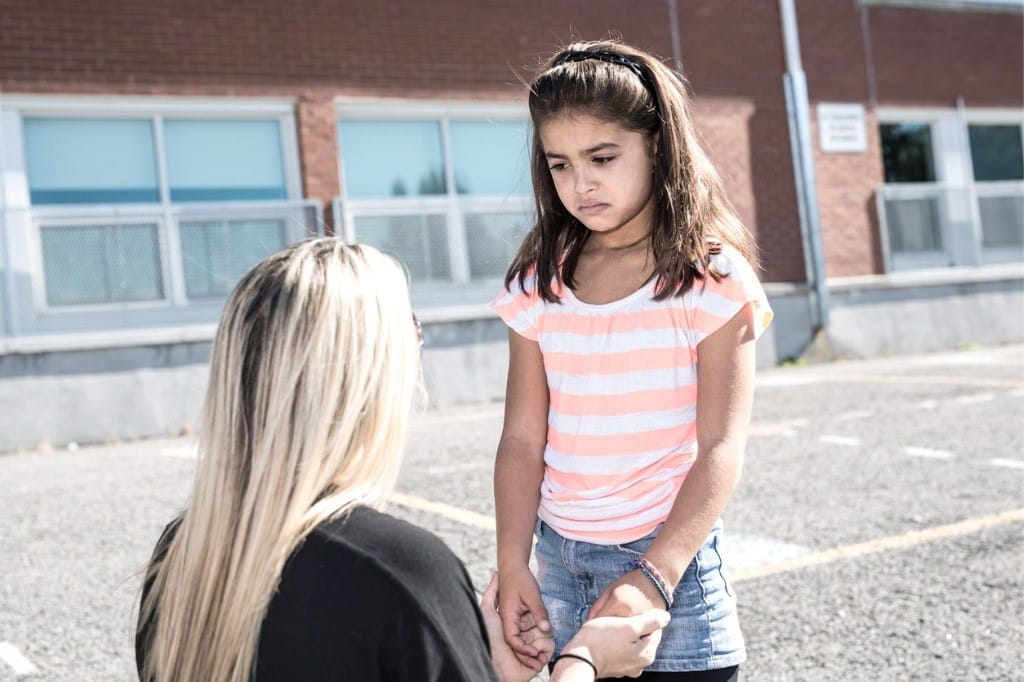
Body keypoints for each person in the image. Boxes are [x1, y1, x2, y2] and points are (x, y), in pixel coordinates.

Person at [135, 238, 668, 682]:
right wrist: (583, 661)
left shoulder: (183, 559)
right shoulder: (400, 573)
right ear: (369, 374)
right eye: (411, 328)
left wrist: (468, 659)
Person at [491, 40, 774, 681]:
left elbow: (721, 447)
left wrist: (652, 577)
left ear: (657, 147)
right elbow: (519, 438)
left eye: (602, 158)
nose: (580, 183)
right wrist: (513, 563)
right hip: (556, 561)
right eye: (559, 164)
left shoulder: (712, 278)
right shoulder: (538, 283)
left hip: (669, 566)